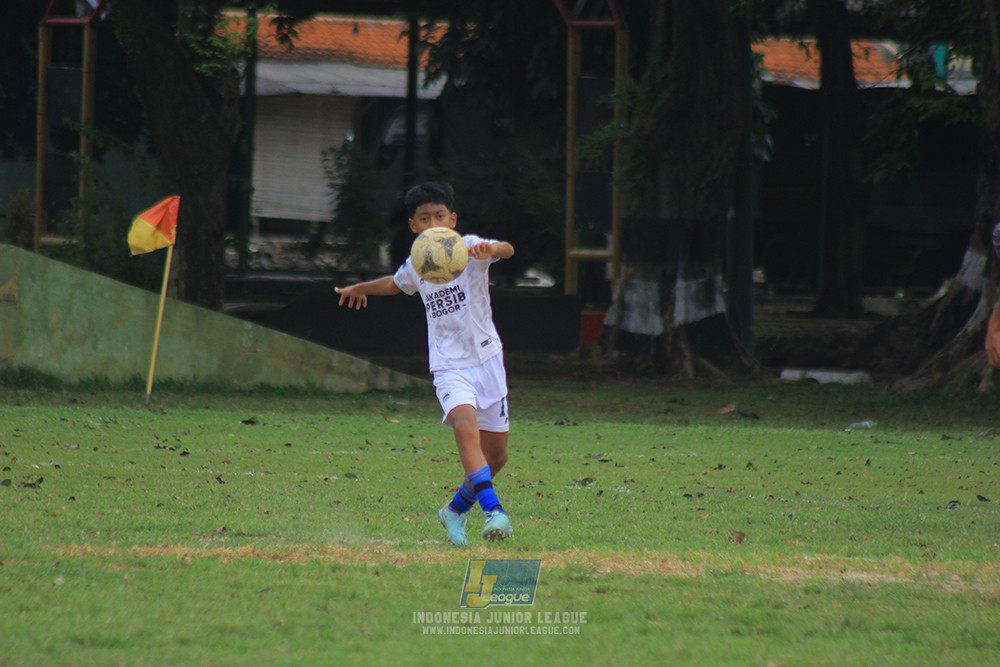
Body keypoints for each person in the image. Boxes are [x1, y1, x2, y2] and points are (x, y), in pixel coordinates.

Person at [335, 182, 515, 546]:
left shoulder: (468, 248)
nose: (433, 222)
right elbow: (396, 283)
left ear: (452, 219)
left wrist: (491, 248)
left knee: (496, 457)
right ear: (414, 225)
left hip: (488, 359)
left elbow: (507, 250)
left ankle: (452, 511)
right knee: (465, 429)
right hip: (450, 365)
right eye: (424, 218)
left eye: (439, 216)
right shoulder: (419, 261)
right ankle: (494, 511)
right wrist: (362, 288)